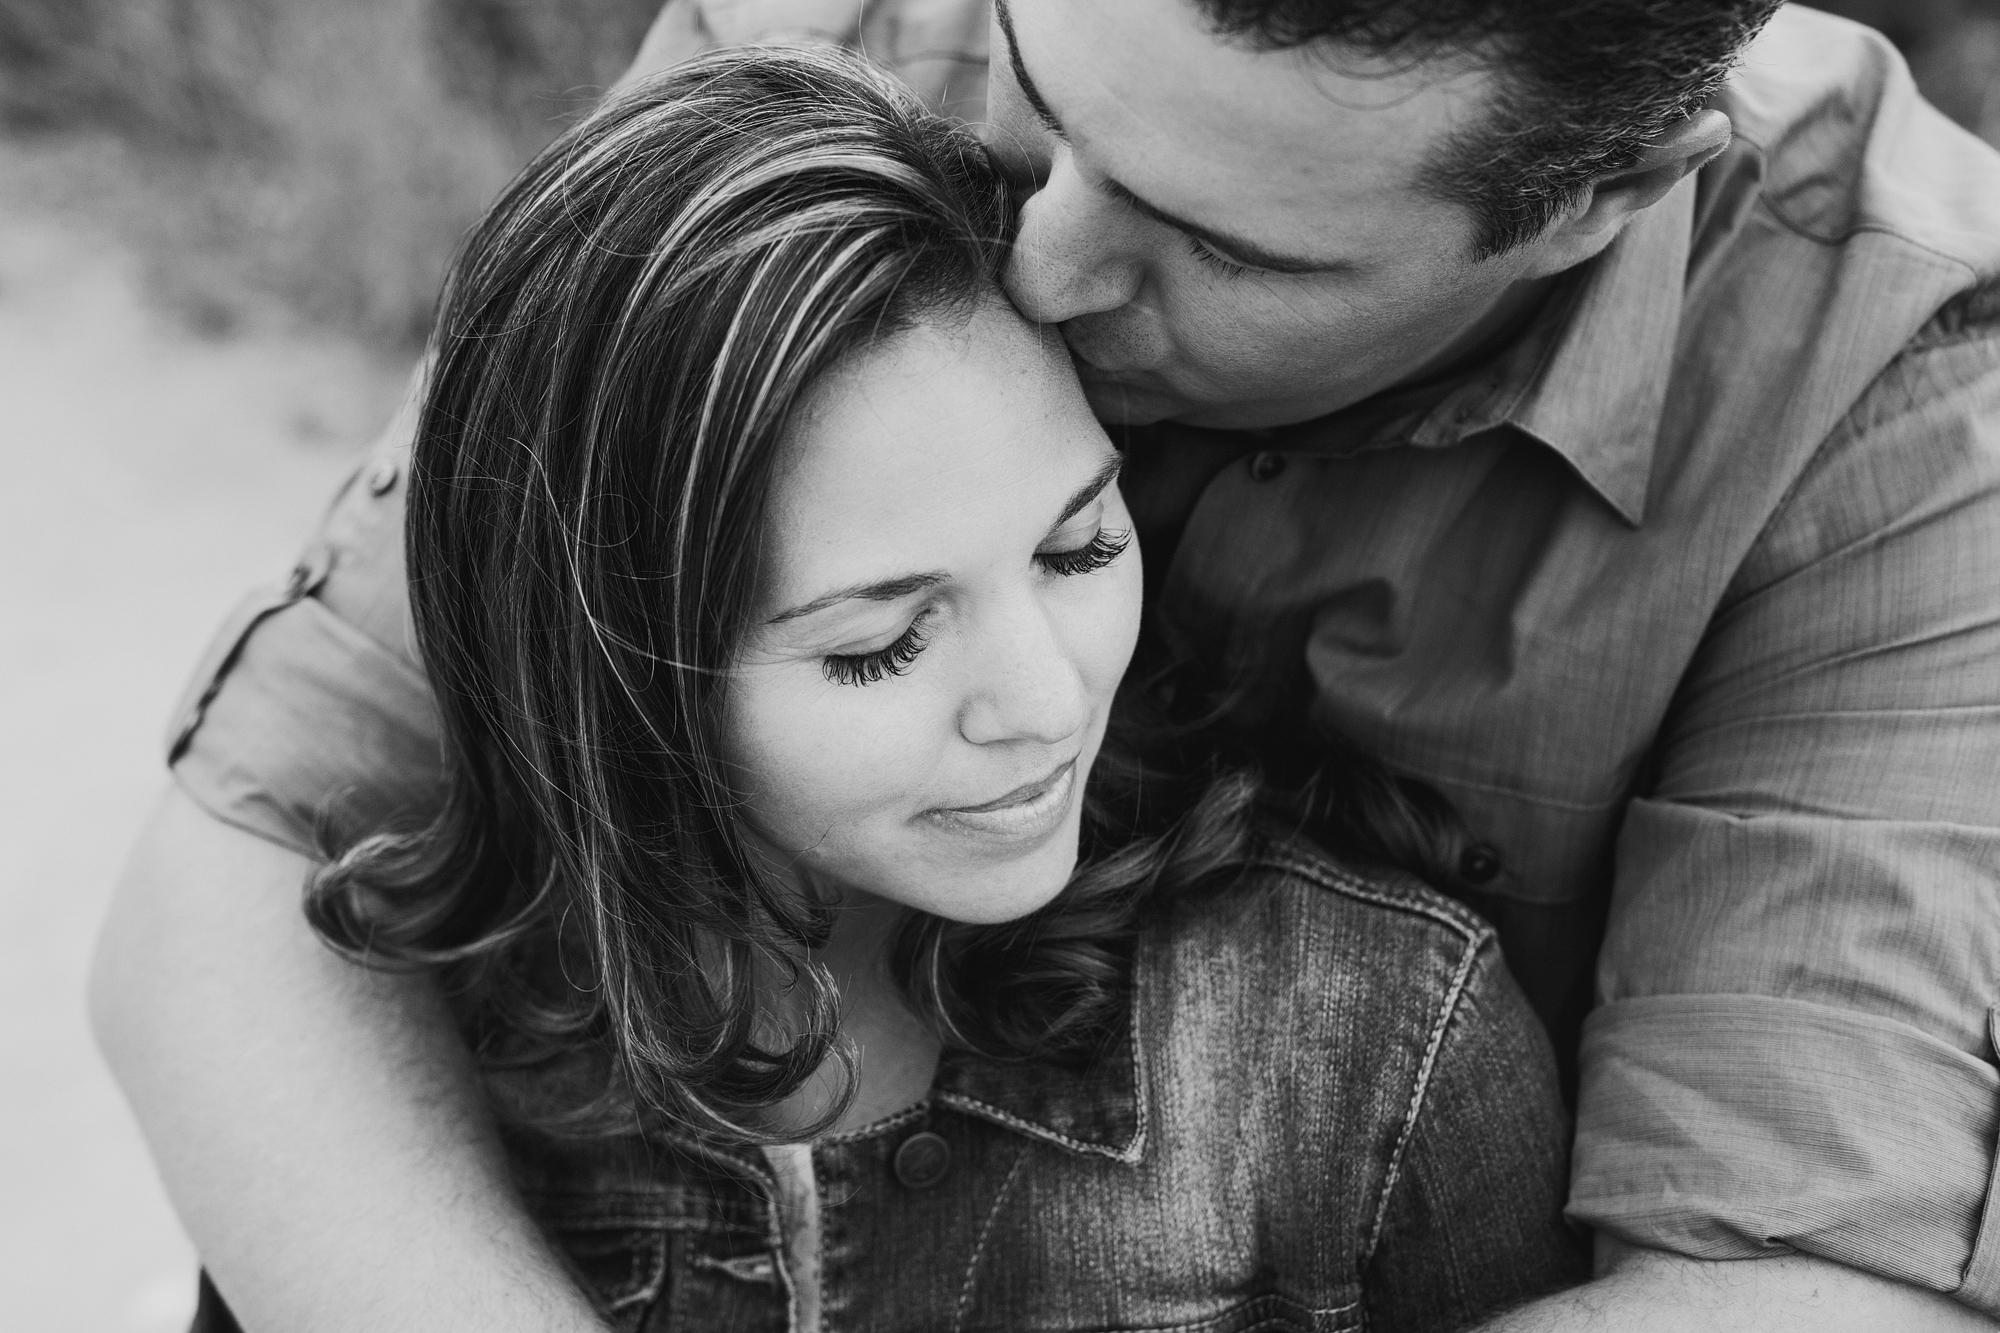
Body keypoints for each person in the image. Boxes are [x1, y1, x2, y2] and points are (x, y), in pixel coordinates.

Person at [91, 0, 2000, 1329]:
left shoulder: (1906, 391)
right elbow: (264, 851)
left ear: (1602, 199)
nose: (1041, 263)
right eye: (1038, 96)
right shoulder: (825, 45)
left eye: (1215, 241)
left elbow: (1799, 1276)